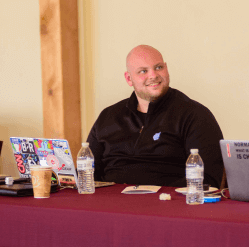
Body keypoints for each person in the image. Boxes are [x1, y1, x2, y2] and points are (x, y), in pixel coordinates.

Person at [86, 45, 224, 188]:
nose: (153, 75)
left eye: (158, 68)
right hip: (109, 203)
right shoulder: (109, 116)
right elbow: (87, 172)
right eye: (143, 71)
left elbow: (207, 178)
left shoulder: (195, 115)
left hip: (168, 203)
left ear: (166, 69)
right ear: (129, 78)